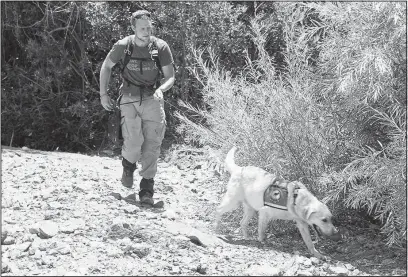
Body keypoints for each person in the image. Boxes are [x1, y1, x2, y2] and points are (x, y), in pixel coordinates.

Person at [99, 10, 175, 205]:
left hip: (153, 98)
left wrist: (161, 89)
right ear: (133, 28)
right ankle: (128, 166)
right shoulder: (123, 46)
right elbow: (106, 66)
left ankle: (147, 189)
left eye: (149, 27)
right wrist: (103, 94)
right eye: (142, 28)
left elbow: (170, 77)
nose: (146, 31)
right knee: (132, 142)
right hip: (128, 98)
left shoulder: (160, 47)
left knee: (152, 144)